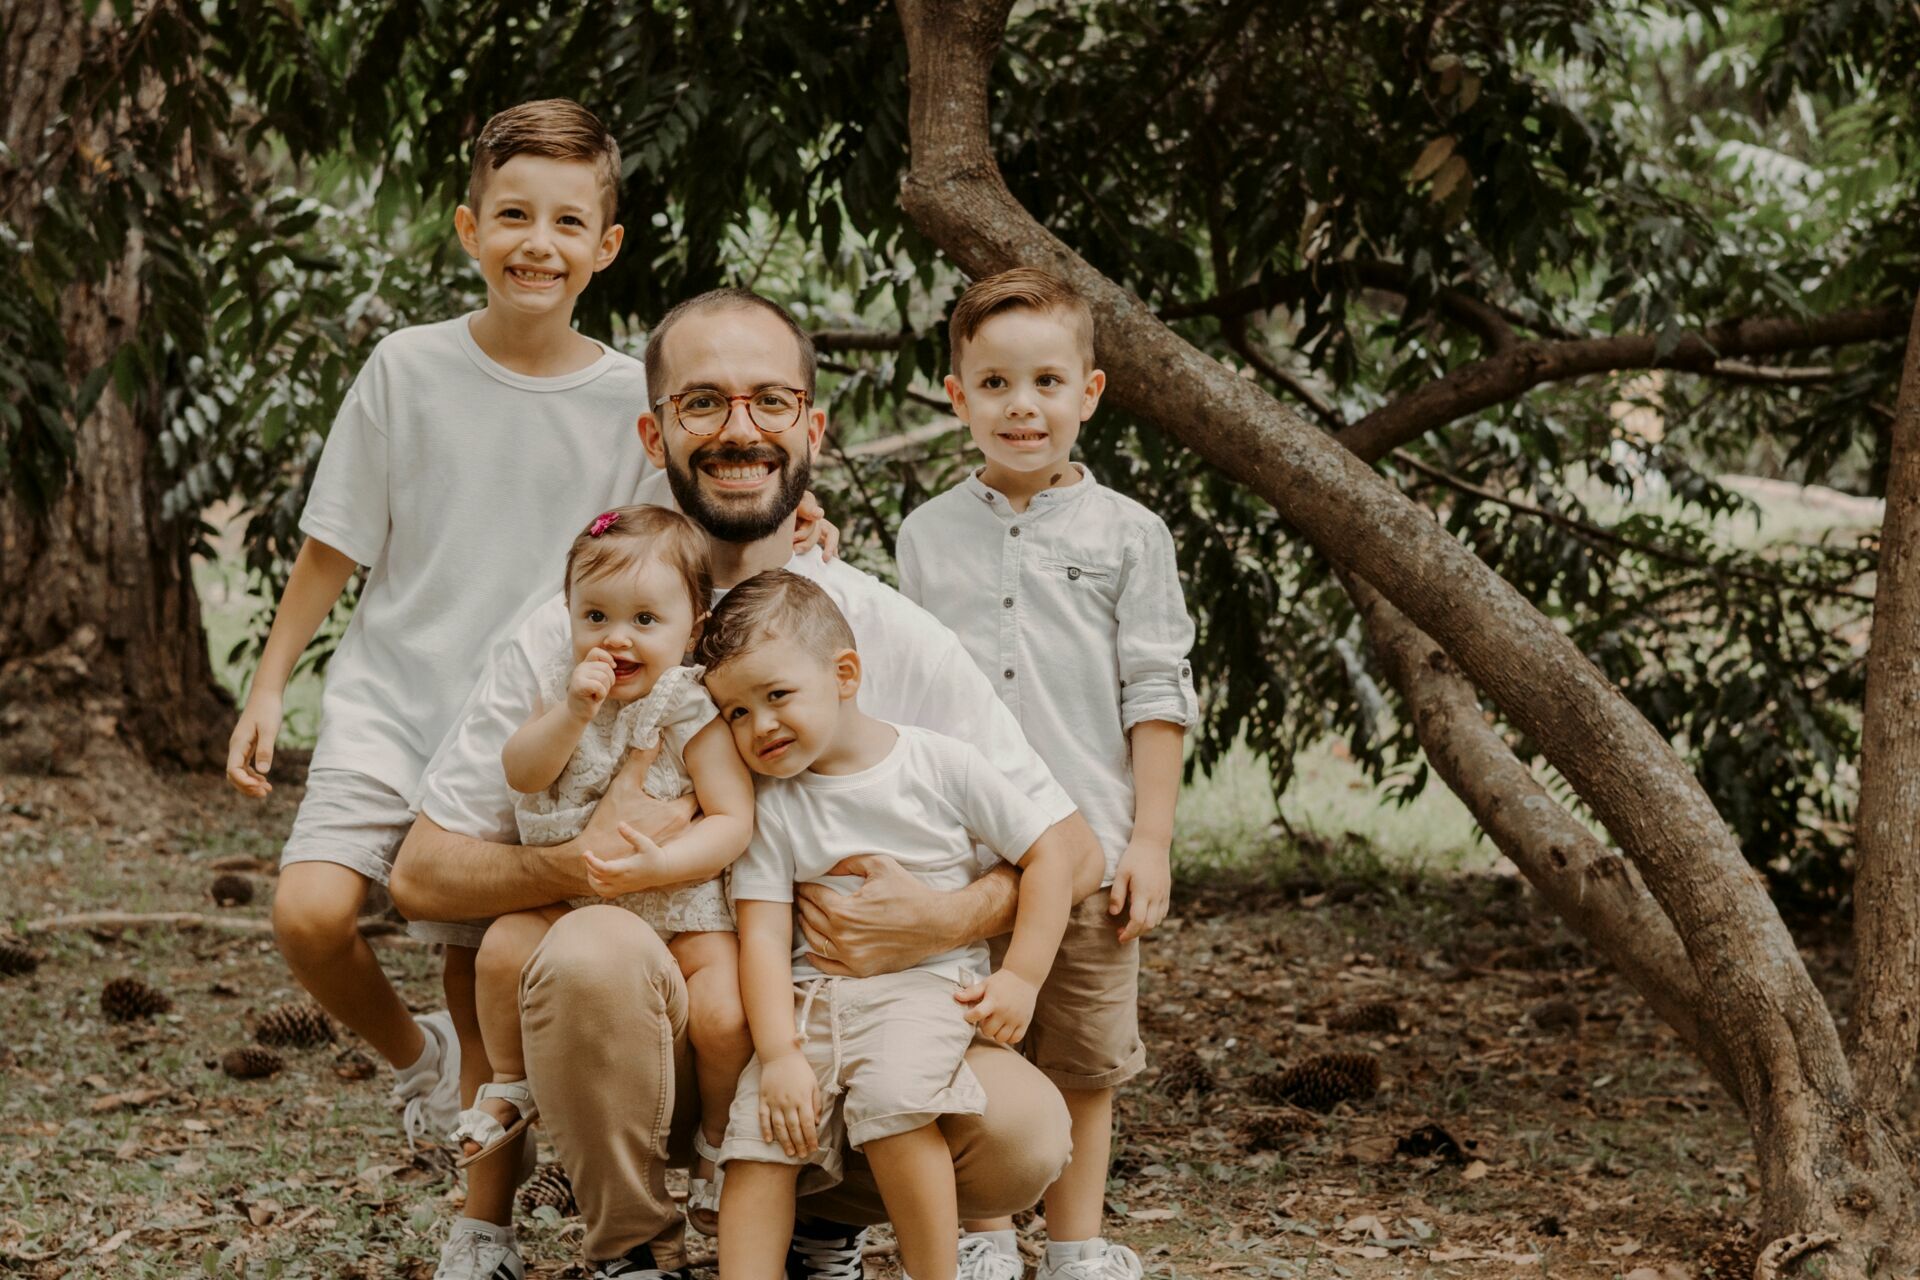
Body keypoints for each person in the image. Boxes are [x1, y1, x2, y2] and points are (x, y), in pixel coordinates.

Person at [390, 287, 1108, 1280]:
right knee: (592, 951)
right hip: (655, 1029)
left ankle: (817, 1220)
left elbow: (1070, 845)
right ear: (655, 431)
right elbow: (420, 875)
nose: (741, 430)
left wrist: (942, 919)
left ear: (812, 425)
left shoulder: (877, 629)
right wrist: (579, 865)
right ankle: (631, 1246)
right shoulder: (580, 630)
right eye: (704, 404)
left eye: (772, 402)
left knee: (1023, 1128)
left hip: (838, 1024)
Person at [222, 98, 646, 1161]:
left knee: (473, 971)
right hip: (391, 698)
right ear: (469, 229)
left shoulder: (631, 398)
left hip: (523, 727)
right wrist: (270, 684)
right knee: (308, 913)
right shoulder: (406, 368)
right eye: (511, 215)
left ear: (605, 246)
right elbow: (333, 545)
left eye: (563, 223)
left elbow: (659, 554)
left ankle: (483, 1180)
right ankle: (414, 1062)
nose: (534, 244)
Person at [895, 267, 1199, 1280]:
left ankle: (1073, 1247)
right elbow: (907, 689)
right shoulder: (927, 535)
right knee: (972, 1050)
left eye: (1046, 383)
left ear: (1089, 392)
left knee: (1082, 1058)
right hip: (964, 858)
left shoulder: (1128, 535)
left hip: (1089, 851)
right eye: (994, 384)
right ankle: (983, 1236)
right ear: (958, 396)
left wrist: (1149, 839)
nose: (1021, 406)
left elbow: (1157, 693)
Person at [703, 571, 1074, 1280]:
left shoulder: (938, 764)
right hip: (811, 1001)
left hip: (924, 991)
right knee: (758, 1137)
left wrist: (1022, 976)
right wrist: (779, 1053)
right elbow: (761, 935)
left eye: (777, 696)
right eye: (736, 714)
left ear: (844, 674)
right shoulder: (772, 804)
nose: (761, 727)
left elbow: (1050, 853)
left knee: (898, 1103)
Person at [451, 506, 754, 1250]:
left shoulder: (687, 704)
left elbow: (730, 819)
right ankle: (512, 1086)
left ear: (692, 626)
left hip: (680, 910)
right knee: (497, 950)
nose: (616, 637)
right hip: (569, 906)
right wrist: (572, 712)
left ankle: (718, 1142)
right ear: (569, 618)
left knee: (722, 1011)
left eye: (645, 618)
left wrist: (661, 864)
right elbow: (521, 771)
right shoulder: (562, 692)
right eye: (596, 615)